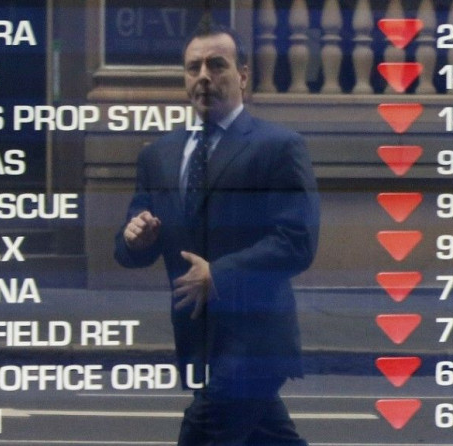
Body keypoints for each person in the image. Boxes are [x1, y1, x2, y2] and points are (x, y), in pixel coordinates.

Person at [114, 21, 319, 445]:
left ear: (243, 75)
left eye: (216, 65)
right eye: (193, 68)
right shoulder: (159, 155)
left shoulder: (277, 146)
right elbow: (129, 245)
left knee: (202, 433)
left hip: (257, 339)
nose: (204, 76)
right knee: (270, 437)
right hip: (199, 337)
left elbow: (297, 241)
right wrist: (136, 238)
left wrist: (219, 275)